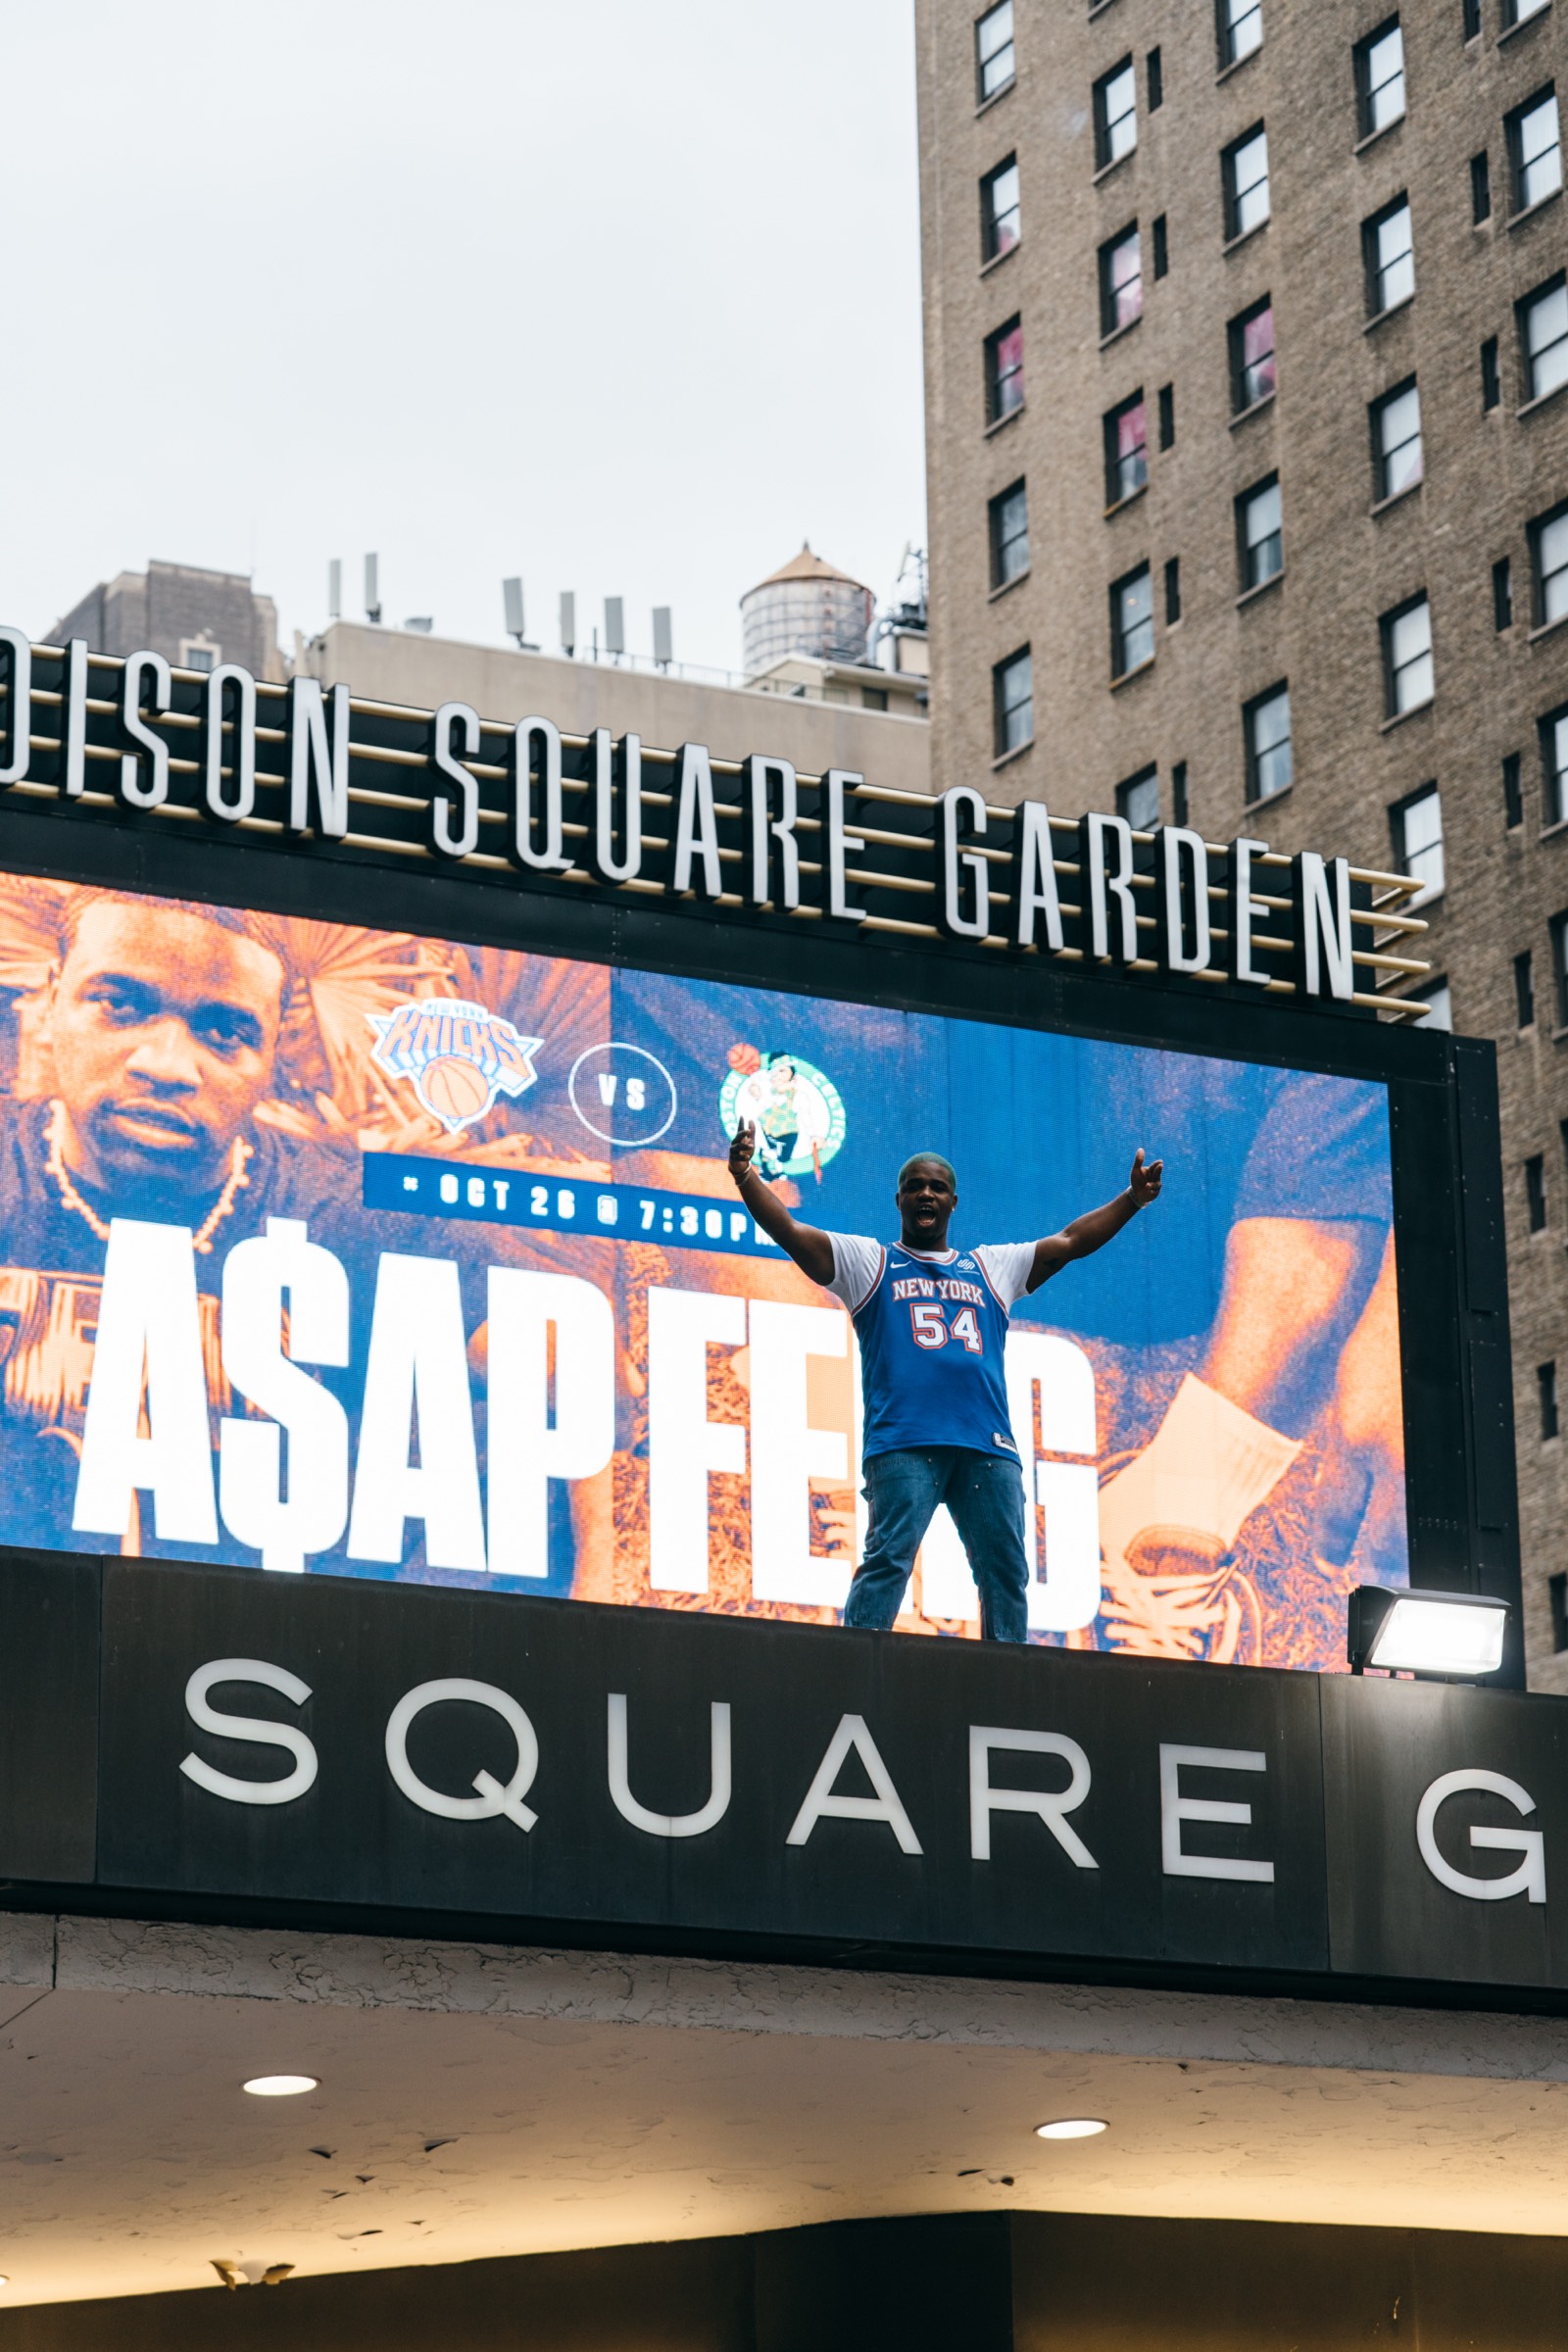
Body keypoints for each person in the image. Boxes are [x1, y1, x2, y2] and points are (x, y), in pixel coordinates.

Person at [727, 1127, 1163, 1641]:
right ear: (899, 1200)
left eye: (936, 1187)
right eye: (915, 1186)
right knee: (888, 1559)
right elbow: (789, 1231)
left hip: (986, 1445)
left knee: (1005, 1569)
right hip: (905, 1442)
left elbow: (1069, 1242)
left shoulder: (990, 1267)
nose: (926, 1194)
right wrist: (745, 1175)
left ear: (953, 1202)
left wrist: (1132, 1200)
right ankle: (857, 1664)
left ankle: (1007, 1671)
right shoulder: (871, 1262)